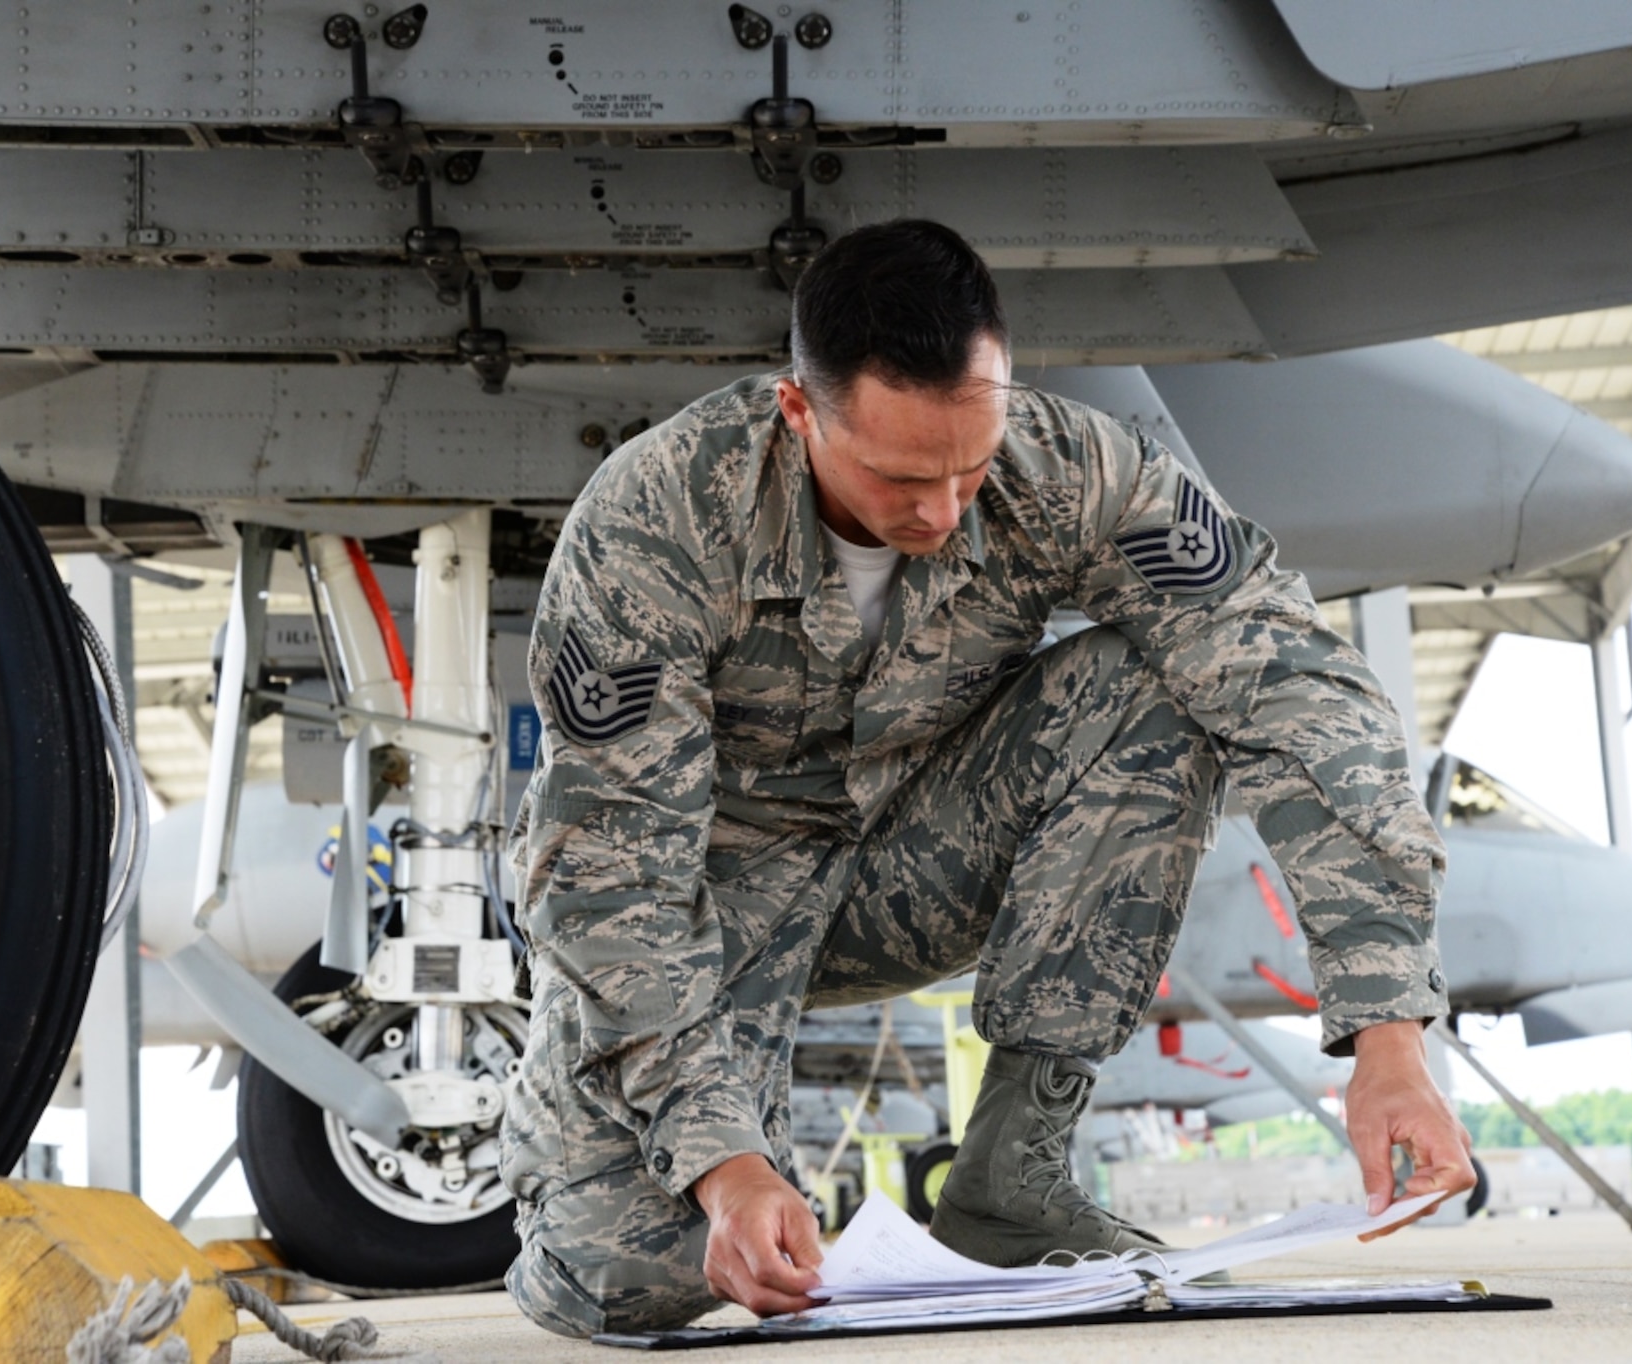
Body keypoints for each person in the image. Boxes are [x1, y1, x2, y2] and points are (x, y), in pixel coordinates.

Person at [499, 219, 1475, 1338]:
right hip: (709, 907)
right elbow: (614, 875)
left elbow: (1301, 686)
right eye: (900, 475)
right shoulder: (655, 520)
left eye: (970, 463)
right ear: (797, 410)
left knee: (1163, 684)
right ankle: (561, 1129)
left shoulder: (1064, 467)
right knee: (644, 1280)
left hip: (914, 859)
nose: (944, 509)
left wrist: (1387, 1030)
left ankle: (1013, 1177)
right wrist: (723, 1162)